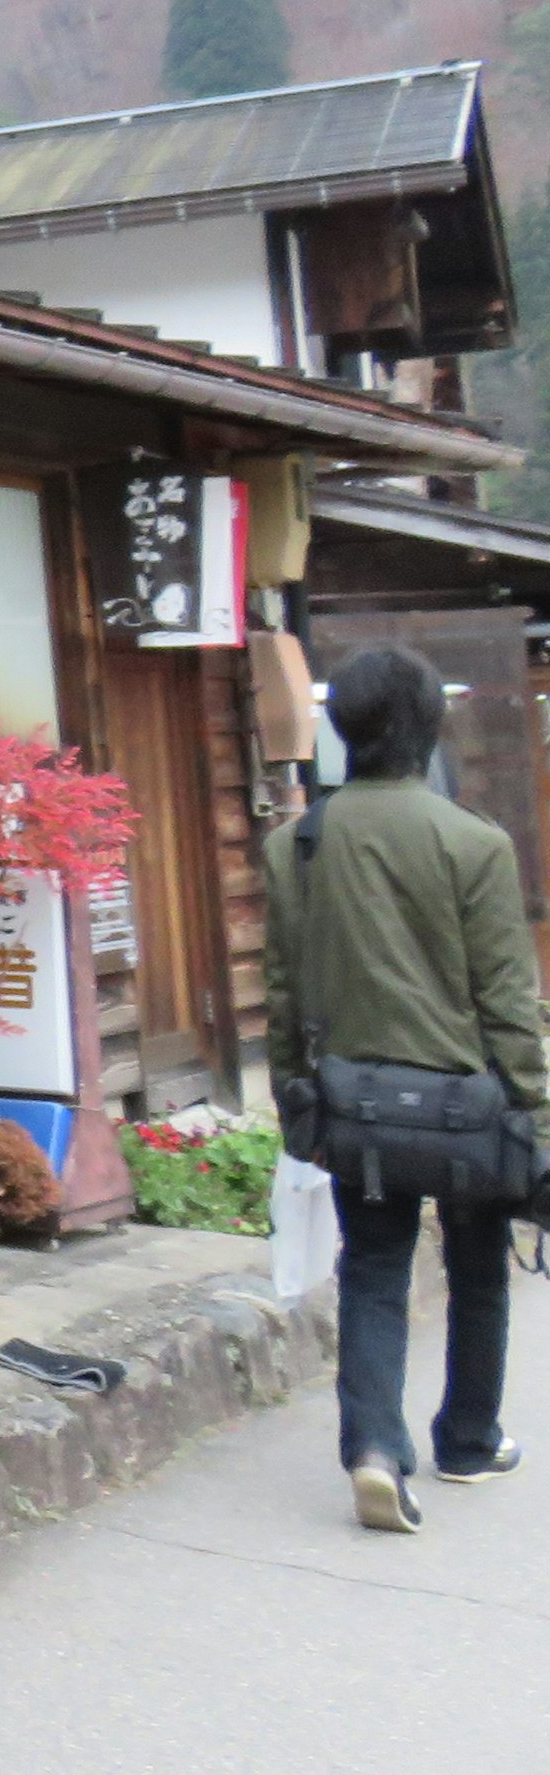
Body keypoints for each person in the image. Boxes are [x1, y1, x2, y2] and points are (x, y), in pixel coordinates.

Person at [265, 643, 546, 1533]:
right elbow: (508, 1002)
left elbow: (283, 989)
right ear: (430, 732)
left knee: (375, 1271)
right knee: (477, 1271)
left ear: (342, 731)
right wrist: (537, 1111)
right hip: (468, 1110)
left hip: (353, 1109)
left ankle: (376, 1451)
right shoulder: (475, 843)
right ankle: (468, 1438)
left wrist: (292, 1101)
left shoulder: (297, 845)